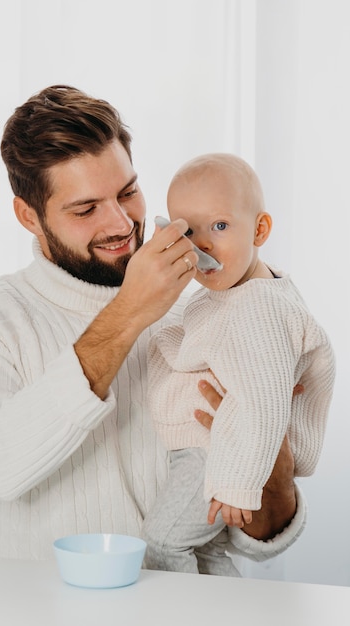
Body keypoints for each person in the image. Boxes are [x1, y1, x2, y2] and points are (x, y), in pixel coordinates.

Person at [0, 86, 306, 563]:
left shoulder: (201, 312)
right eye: (85, 209)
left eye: (128, 192)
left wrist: (267, 441)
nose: (121, 223)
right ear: (29, 216)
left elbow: (264, 538)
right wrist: (130, 311)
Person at [142, 153, 335, 575]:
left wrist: (238, 481)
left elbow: (260, 402)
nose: (204, 245)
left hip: (215, 453)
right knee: (206, 551)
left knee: (161, 541)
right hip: (215, 450)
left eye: (221, 226)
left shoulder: (257, 307)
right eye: (188, 231)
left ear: (260, 229)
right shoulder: (231, 293)